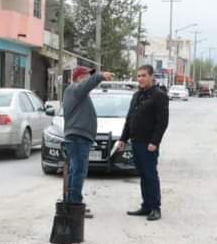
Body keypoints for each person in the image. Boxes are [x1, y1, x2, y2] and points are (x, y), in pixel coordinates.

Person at [117, 65, 169, 221]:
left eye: (143, 75)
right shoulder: (137, 95)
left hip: (149, 143)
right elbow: (129, 119)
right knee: (143, 175)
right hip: (136, 141)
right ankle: (146, 205)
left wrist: (155, 142)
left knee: (150, 175)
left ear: (152, 76)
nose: (140, 79)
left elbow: (162, 122)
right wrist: (123, 138)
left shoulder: (159, 96)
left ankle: (155, 208)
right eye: (138, 76)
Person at [61, 66, 113, 217]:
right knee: (79, 171)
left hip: (79, 136)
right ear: (78, 78)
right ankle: (75, 205)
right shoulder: (74, 89)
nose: (88, 78)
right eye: (86, 76)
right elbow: (88, 84)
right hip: (78, 137)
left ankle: (72, 202)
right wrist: (100, 76)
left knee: (76, 170)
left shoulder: (79, 94)